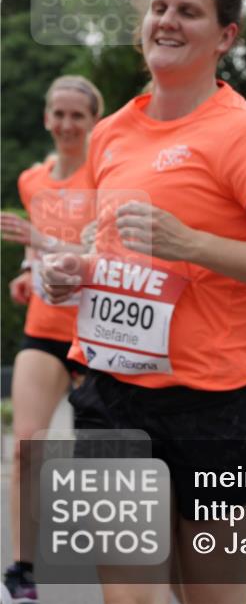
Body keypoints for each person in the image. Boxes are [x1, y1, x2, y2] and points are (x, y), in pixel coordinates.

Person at [40, 0, 246, 604]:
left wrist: (193, 242)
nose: (166, 21)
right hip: (114, 390)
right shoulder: (111, 133)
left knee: (207, 596)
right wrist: (75, 272)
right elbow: (122, 255)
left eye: (189, 12)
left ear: (225, 36)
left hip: (221, 403)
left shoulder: (243, 132)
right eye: (159, 7)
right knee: (130, 597)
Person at [0, 75, 103, 604]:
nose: (66, 124)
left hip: (102, 333)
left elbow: (98, 252)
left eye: (77, 116)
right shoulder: (31, 182)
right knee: (28, 448)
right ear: (46, 117)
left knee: (117, 458)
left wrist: (38, 241)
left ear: (93, 122)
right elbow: (41, 254)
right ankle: (23, 570)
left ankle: (202, 571)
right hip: (45, 329)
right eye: (58, 114)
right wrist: (28, 267)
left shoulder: (104, 175)